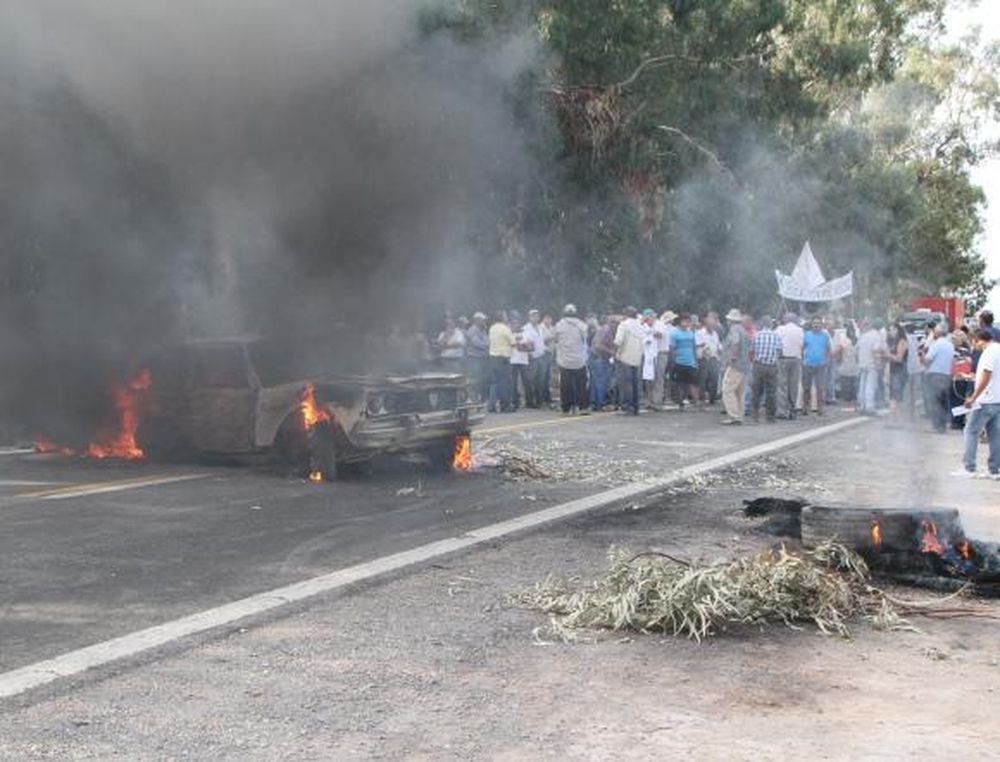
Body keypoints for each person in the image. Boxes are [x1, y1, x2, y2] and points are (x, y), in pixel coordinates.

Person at [954, 328, 1000, 478]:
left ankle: (969, 467)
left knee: (971, 431)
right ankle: (995, 469)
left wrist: (973, 397)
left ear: (978, 340)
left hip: (985, 400)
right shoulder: (998, 350)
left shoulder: (988, 352)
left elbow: (987, 375)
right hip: (997, 399)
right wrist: (970, 376)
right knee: (995, 435)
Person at [920, 321, 955, 432]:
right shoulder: (950, 345)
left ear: (937, 333)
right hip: (946, 375)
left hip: (934, 375)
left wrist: (921, 355)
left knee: (935, 401)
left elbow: (927, 360)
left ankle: (937, 425)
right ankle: (943, 425)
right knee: (944, 401)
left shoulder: (936, 344)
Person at [553, 304, 589, 414]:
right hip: (579, 360)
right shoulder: (582, 325)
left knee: (565, 386)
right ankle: (583, 407)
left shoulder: (559, 325)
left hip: (564, 361)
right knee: (581, 385)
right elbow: (585, 339)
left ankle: (566, 408)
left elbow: (555, 339)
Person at [721, 308, 750, 425]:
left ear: (730, 320)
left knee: (727, 389)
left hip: (736, 364)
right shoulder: (743, 330)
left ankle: (734, 415)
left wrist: (732, 357)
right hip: (744, 364)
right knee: (739, 392)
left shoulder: (734, 329)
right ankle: (739, 415)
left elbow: (735, 343)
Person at [750, 315, 782, 423]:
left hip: (759, 365)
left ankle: (755, 415)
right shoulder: (776, 336)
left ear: (762, 324)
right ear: (771, 324)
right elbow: (779, 351)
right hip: (772, 366)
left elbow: (752, 350)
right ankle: (770, 416)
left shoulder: (756, 335)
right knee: (771, 392)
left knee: (756, 391)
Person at [614, 307, 644, 415]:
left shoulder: (623, 325)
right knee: (635, 383)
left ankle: (627, 406)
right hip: (637, 358)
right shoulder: (640, 326)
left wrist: (615, 353)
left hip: (625, 357)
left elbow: (618, 341)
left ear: (625, 314)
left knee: (626, 383)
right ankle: (636, 407)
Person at [775, 312, 804, 419]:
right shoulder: (800, 330)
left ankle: (782, 410)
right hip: (796, 359)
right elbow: (802, 345)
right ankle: (793, 409)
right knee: (793, 386)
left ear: (785, 319)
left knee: (782, 386)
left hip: (783, 359)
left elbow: (776, 342)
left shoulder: (780, 329)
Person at [801, 316, 831, 416]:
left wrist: (826, 360)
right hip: (807, 364)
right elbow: (802, 348)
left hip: (820, 365)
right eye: (814, 323)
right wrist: (802, 360)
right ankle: (805, 408)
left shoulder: (825, 336)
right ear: (812, 325)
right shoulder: (806, 335)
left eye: (818, 323)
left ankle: (820, 409)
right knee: (806, 388)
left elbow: (828, 349)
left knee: (820, 388)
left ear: (821, 325)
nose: (816, 325)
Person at [857, 318, 887, 415]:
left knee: (862, 385)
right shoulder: (876, 336)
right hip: (872, 364)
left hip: (862, 363)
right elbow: (876, 350)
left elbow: (856, 349)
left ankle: (862, 405)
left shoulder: (863, 336)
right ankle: (869, 407)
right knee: (870, 386)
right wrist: (878, 362)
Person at [487, 311, 516, 413]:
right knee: (505, 382)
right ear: (502, 318)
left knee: (494, 383)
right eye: (505, 316)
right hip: (503, 359)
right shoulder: (505, 328)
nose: (506, 318)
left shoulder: (492, 328)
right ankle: (505, 406)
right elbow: (513, 343)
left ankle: (491, 405)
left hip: (492, 358)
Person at [670, 313, 700, 409]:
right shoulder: (674, 334)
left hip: (690, 362)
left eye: (688, 321)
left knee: (693, 383)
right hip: (679, 362)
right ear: (680, 322)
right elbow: (672, 348)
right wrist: (674, 360)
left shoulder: (691, 334)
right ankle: (680, 402)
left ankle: (696, 402)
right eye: (684, 321)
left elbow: (694, 348)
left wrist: (695, 360)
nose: (686, 323)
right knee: (680, 383)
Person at [588, 315, 617, 411]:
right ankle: (601, 404)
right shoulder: (606, 331)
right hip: (598, 358)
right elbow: (598, 345)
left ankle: (594, 403)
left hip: (595, 358)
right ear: (612, 323)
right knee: (601, 382)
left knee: (594, 382)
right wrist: (611, 352)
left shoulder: (606, 330)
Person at [521, 310, 546, 409]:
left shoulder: (540, 328)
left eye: (537, 316)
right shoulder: (526, 328)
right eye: (533, 316)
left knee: (540, 380)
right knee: (530, 380)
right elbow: (524, 343)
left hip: (541, 356)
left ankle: (539, 401)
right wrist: (529, 353)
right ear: (529, 317)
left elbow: (541, 342)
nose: (535, 318)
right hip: (532, 357)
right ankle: (530, 402)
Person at [465, 312, 490, 403]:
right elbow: (477, 344)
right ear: (477, 320)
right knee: (474, 379)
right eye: (483, 320)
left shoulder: (483, 330)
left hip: (482, 358)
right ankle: (473, 399)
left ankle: (481, 399)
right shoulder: (472, 330)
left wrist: (487, 344)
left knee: (482, 379)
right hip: (474, 359)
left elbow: (488, 342)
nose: (485, 322)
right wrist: (488, 345)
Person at [697, 312, 722, 405]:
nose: (712, 326)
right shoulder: (700, 333)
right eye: (710, 324)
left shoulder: (715, 334)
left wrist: (720, 348)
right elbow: (698, 345)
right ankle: (701, 398)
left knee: (714, 378)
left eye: (714, 324)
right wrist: (704, 348)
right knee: (703, 379)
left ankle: (712, 398)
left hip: (714, 358)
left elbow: (718, 344)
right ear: (706, 324)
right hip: (704, 358)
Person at [886, 323, 909, 425]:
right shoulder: (896, 341)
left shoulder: (902, 342)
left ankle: (893, 420)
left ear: (897, 330)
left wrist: (887, 355)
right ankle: (898, 420)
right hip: (895, 371)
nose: (890, 332)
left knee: (895, 397)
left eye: (891, 329)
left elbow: (899, 358)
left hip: (899, 371)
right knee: (896, 397)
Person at [509, 313, 532, 410]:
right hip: (512, 360)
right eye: (514, 322)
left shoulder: (526, 333)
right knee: (513, 383)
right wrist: (522, 346)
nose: (516, 324)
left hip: (524, 360)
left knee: (527, 381)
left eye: (517, 322)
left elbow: (531, 346)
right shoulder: (509, 333)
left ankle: (530, 402)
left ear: (520, 323)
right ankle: (515, 402)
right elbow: (510, 345)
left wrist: (523, 347)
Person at [835, 321, 860, 407]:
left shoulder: (855, 340)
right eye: (850, 330)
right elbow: (839, 351)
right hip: (846, 363)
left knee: (852, 381)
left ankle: (852, 396)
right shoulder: (846, 340)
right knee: (847, 381)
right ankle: (848, 397)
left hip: (852, 363)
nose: (851, 332)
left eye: (852, 330)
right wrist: (838, 358)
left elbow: (858, 353)